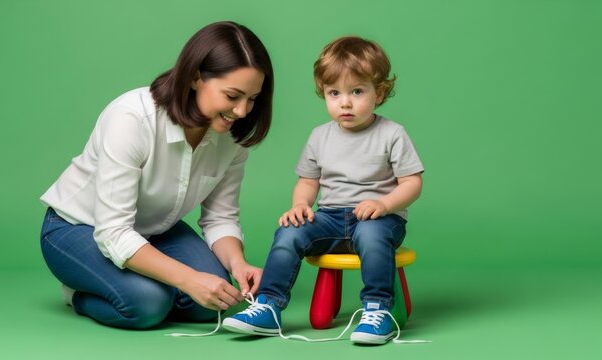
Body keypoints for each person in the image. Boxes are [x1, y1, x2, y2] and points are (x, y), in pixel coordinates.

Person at [39, 21, 273, 329]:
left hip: (154, 230)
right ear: (194, 78)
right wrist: (188, 279)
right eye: (232, 95)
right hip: (78, 227)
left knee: (213, 303)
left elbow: (220, 218)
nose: (242, 111)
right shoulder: (131, 118)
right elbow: (113, 232)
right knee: (148, 304)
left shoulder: (230, 139)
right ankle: (78, 294)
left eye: (252, 98)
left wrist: (237, 263)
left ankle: (145, 281)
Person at [222, 36, 424, 345]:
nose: (345, 102)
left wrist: (384, 205)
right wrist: (301, 204)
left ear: (379, 93)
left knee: (371, 236)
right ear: (324, 94)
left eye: (357, 91)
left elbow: (412, 182)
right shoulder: (320, 136)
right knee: (288, 233)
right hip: (329, 217)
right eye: (334, 93)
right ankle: (269, 307)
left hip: (379, 220)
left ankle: (377, 310)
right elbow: (308, 180)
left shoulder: (392, 134)